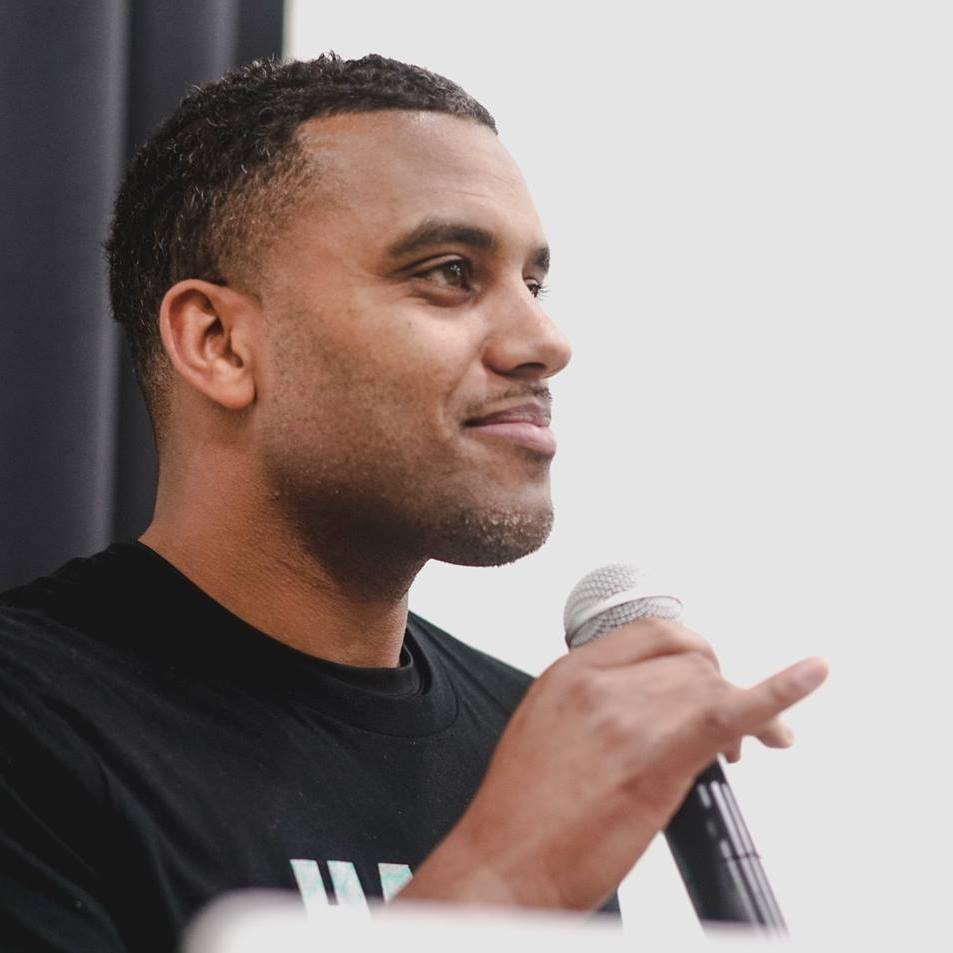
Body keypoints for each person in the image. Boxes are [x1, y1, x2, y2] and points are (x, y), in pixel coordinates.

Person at [0, 54, 827, 952]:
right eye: (447, 272)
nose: (544, 340)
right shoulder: (31, 723)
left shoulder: (523, 739)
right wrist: (503, 879)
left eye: (534, 285)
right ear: (220, 343)